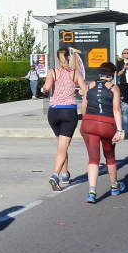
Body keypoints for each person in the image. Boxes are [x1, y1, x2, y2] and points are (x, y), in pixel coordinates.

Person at [42, 47, 87, 191]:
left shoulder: (53, 72)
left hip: (54, 112)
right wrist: (76, 90)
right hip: (69, 111)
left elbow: (47, 87)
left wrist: (44, 89)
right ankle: (55, 175)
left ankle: (65, 174)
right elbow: (85, 91)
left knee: (61, 145)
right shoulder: (75, 73)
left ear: (57, 58)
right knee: (63, 146)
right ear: (69, 58)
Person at [79, 62, 125, 203]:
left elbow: (83, 108)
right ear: (112, 75)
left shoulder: (89, 86)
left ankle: (92, 192)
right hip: (107, 124)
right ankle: (114, 186)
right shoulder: (113, 88)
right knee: (109, 156)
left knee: (93, 159)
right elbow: (116, 109)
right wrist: (119, 129)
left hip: (89, 123)